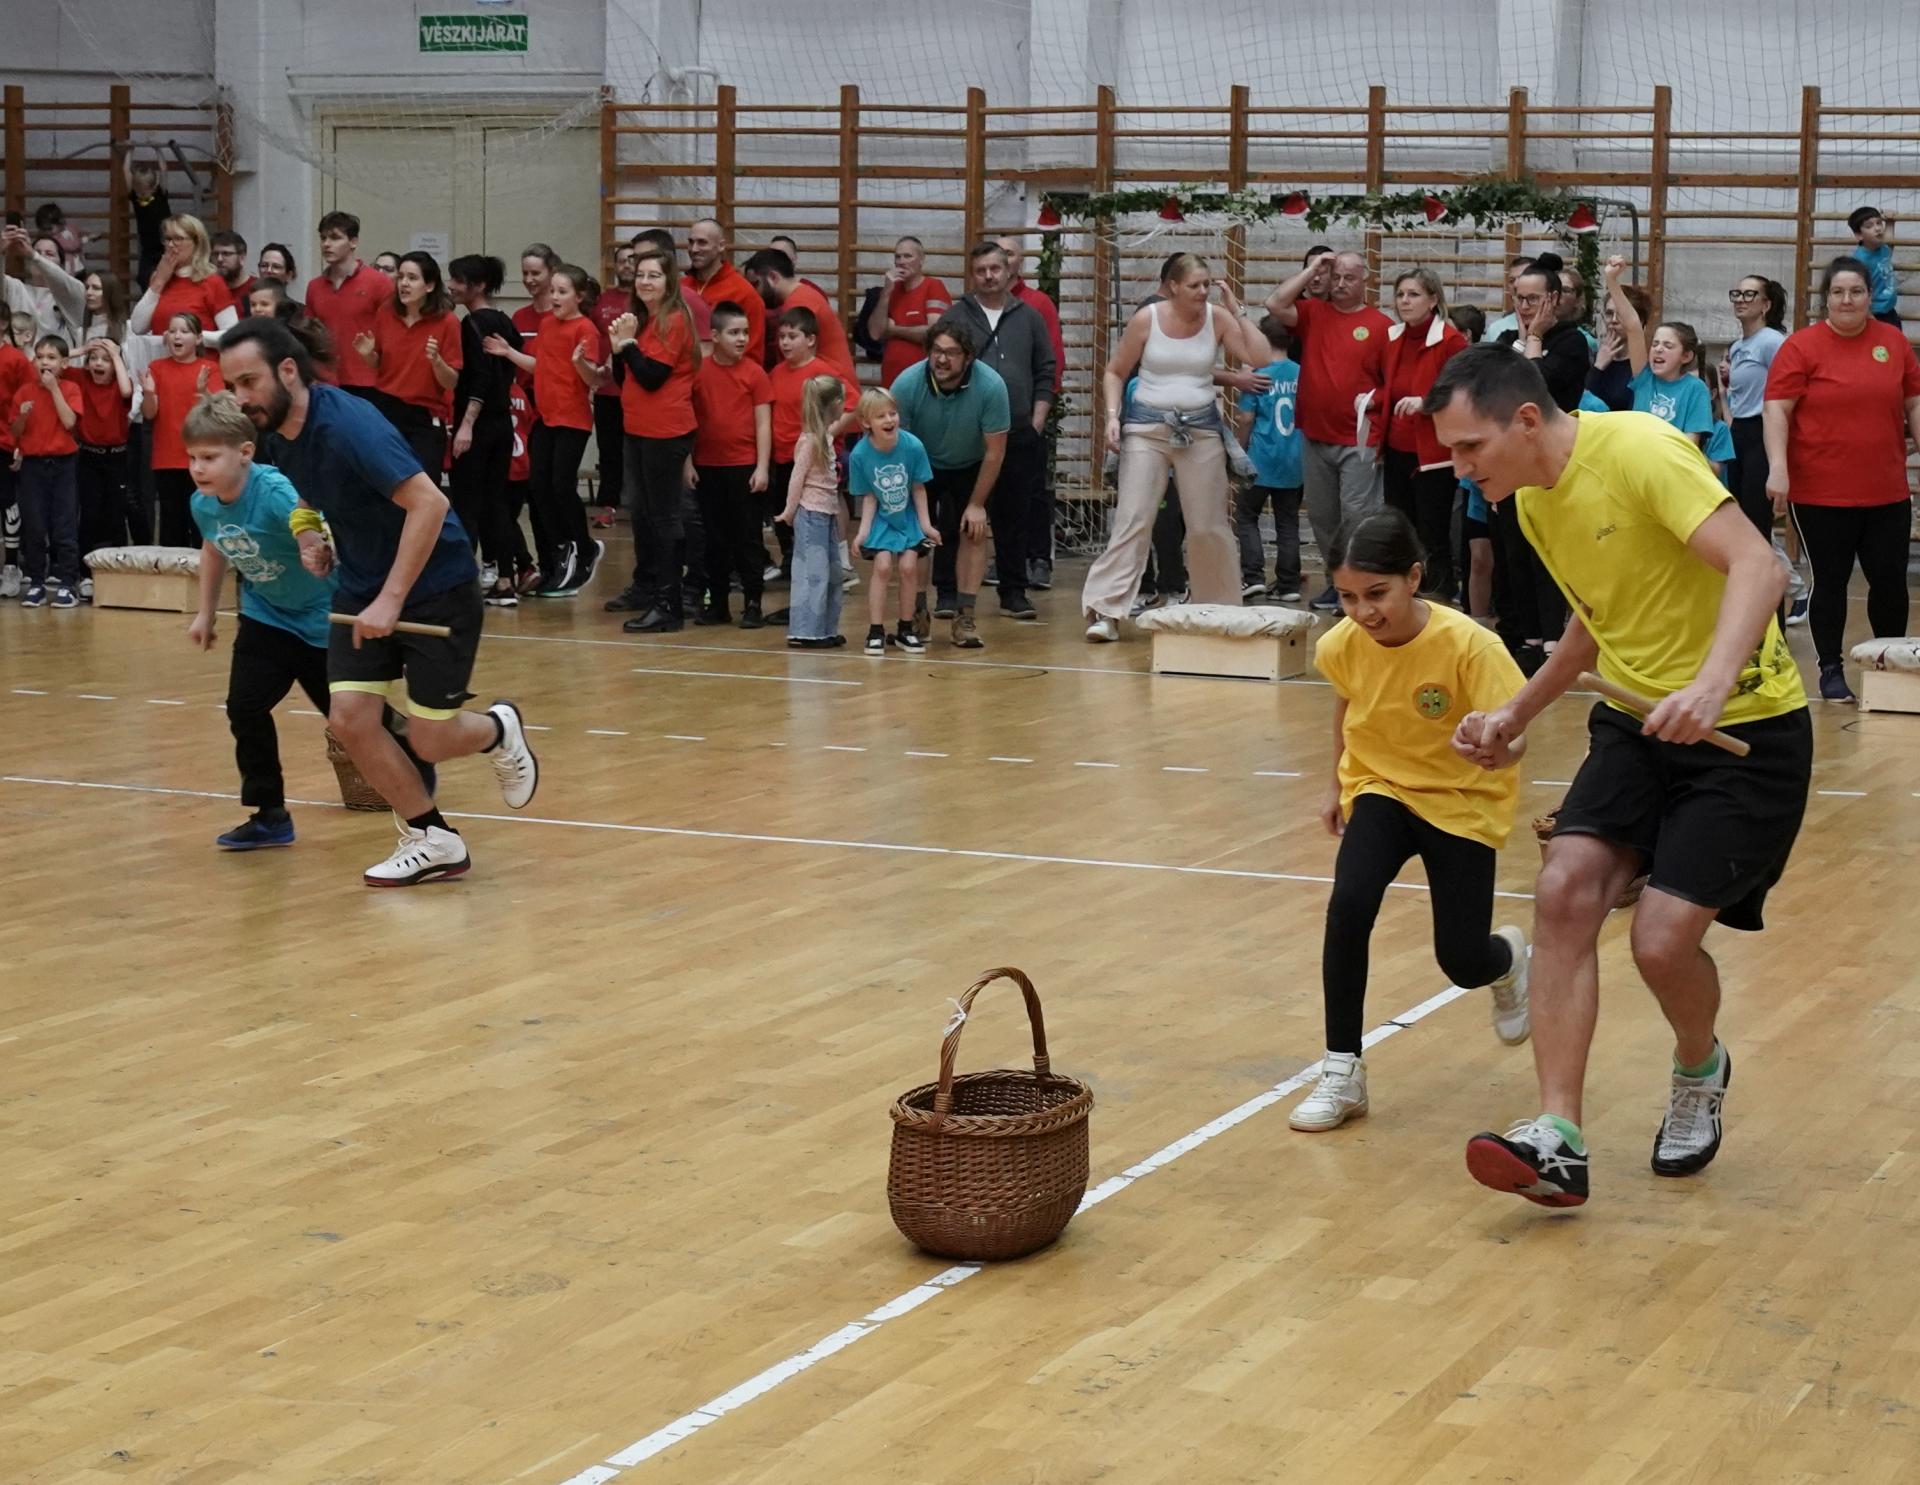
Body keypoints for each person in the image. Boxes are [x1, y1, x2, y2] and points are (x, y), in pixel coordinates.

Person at [1427, 345, 1810, 1210]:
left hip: (1746, 728)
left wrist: (1709, 684)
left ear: (1527, 420)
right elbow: (1591, 626)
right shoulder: (1533, 500)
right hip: (1637, 725)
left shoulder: (1638, 451)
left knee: (1660, 942)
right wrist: (1514, 714)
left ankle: (1699, 1065)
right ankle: (1558, 1137)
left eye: (1470, 447)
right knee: (1563, 889)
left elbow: (1760, 565)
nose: (1460, 468)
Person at [218, 316, 541, 887]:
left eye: (248, 382)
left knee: (428, 740)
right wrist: (308, 535)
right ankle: (433, 838)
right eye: (231, 386)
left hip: (436, 588)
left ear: (287, 371)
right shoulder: (279, 432)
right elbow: (309, 496)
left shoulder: (348, 425)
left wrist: (392, 600)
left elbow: (429, 504)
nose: (239, 398)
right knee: (350, 719)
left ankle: (498, 728)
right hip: (362, 588)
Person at [1289, 508, 1531, 1132]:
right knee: (1349, 906)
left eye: (1377, 594)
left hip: (1461, 798)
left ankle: (1504, 959)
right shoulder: (1340, 644)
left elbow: (1516, 736)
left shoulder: (1471, 646)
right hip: (1381, 786)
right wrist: (1334, 782)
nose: (1362, 612)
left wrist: (1495, 748)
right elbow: (1348, 706)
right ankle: (1342, 1069)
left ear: (1414, 578)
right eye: (1347, 597)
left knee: (1462, 961)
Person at [184, 391, 429, 849]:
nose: (198, 468)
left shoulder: (276, 493)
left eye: (209, 458)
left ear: (245, 452)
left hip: (322, 621)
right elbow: (214, 548)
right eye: (193, 458)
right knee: (244, 707)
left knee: (349, 719)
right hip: (266, 617)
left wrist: (316, 547)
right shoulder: (204, 503)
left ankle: (414, 753)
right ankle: (270, 814)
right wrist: (206, 613)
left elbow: (318, 522)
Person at [1083, 253, 1270, 641]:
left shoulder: (1218, 318)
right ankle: (1106, 612)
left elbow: (1260, 357)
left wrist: (1237, 310)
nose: (1202, 292)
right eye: (1194, 285)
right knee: (1133, 519)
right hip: (1146, 431)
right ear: (1172, 287)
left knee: (1207, 525)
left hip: (1201, 431)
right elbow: (1115, 371)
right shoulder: (1147, 319)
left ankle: (1219, 611)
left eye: (1206, 285)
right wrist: (1113, 417)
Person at [1764, 256, 1920, 704]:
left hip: (1886, 490)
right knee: (1830, 580)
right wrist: (1779, 467)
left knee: (1889, 581)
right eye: (1838, 292)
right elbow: (1777, 409)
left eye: (1856, 291)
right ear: (1826, 300)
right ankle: (1830, 669)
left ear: (1870, 297)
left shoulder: (1893, 342)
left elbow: (1913, 403)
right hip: (1820, 493)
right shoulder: (1801, 347)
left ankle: (1889, 667)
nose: (1847, 299)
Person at [1265, 249, 1391, 611]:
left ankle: (1362, 585)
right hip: (1315, 436)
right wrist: (1312, 270)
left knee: (1357, 515)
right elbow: (1275, 303)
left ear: (1365, 281)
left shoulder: (1381, 325)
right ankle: (1339, 584)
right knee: (1322, 516)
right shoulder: (1313, 313)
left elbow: (1390, 383)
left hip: (1358, 439)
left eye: (1349, 277)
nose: (1340, 284)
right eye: (1335, 277)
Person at [944, 241, 1057, 622]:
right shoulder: (956, 316)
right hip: (967, 435)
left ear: (1008, 271)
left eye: (995, 269)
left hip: (1019, 432)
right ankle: (949, 593)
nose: (989, 276)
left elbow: (1046, 369)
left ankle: (1013, 592)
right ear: (972, 275)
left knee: (1014, 516)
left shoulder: (1030, 316)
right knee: (957, 515)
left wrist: (1036, 420)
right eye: (981, 271)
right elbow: (940, 366)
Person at [1491, 253, 1588, 672]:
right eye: (1519, 298)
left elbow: (1535, 388)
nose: (1525, 306)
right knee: (1514, 554)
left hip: (1553, 464)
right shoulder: (1503, 341)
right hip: (1512, 463)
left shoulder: (1571, 341)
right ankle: (1528, 638)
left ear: (1554, 300)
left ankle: (1553, 642)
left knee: (1545, 553)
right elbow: (1493, 395)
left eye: (1534, 299)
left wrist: (1534, 338)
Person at [485, 263, 606, 598]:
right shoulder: (548, 325)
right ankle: (561, 548)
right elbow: (540, 366)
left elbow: (591, 378)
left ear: (579, 296)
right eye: (553, 290)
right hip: (546, 417)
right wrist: (508, 352)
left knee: (561, 485)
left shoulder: (585, 329)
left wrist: (580, 362)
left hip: (572, 420)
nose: (554, 296)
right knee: (538, 487)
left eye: (562, 291)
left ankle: (584, 546)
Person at [890, 319, 1009, 649]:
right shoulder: (907, 384)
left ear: (968, 357)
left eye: (951, 353)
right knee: (917, 535)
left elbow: (995, 452)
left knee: (974, 530)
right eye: (936, 351)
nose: (941, 359)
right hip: (921, 465)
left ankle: (965, 617)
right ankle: (916, 615)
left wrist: (977, 504)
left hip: (971, 462)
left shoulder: (991, 386)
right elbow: (898, 446)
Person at [607, 245, 703, 633]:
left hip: (666, 430)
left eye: (654, 276)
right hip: (638, 429)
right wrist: (618, 350)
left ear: (669, 281)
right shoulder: (643, 320)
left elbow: (652, 377)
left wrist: (628, 344)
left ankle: (670, 604)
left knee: (665, 517)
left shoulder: (674, 319)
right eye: (641, 275)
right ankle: (654, 592)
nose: (645, 282)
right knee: (644, 515)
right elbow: (624, 378)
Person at [1380, 267, 1468, 602]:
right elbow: (1391, 386)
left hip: (1433, 455)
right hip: (1396, 451)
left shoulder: (1451, 341)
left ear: (1433, 300)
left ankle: (1439, 598)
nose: (1404, 301)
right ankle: (1405, 599)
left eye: (1413, 294)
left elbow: (1463, 391)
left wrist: (1426, 402)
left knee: (1433, 533)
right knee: (1400, 530)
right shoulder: (1392, 338)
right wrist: (1373, 398)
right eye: (1400, 294)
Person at [764, 305, 861, 593]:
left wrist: (825, 434)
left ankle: (831, 568)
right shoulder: (776, 373)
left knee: (815, 515)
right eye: (782, 337)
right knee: (783, 512)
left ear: (810, 339)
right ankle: (790, 563)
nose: (785, 342)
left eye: (792, 336)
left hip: (813, 461)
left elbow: (854, 404)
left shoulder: (822, 372)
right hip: (783, 457)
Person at [688, 300, 773, 629]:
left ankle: (753, 603)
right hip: (708, 467)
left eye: (745, 333)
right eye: (734, 333)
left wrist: (761, 467)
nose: (742, 339)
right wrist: (687, 463)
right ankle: (717, 603)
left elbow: (763, 422)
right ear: (714, 336)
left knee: (747, 538)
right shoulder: (699, 372)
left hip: (744, 467)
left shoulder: (754, 373)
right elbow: (688, 420)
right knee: (714, 539)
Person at [447, 255, 524, 605]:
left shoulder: (472, 324)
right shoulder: (504, 321)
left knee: (467, 503)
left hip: (479, 425)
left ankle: (464, 583)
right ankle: (506, 580)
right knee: (496, 503)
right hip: (503, 423)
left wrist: (466, 424)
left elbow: (480, 378)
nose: (452, 285)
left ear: (478, 285)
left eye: (458, 280)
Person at [354, 250, 462, 477]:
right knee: (383, 482)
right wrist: (367, 355)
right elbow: (379, 365)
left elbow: (451, 382)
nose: (403, 283)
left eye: (412, 278)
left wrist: (437, 361)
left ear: (429, 285)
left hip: (424, 415)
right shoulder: (386, 312)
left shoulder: (448, 322)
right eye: (401, 276)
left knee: (423, 484)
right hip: (386, 409)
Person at [849, 386, 937, 655]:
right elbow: (870, 497)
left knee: (909, 567)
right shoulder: (860, 455)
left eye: (893, 413)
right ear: (866, 422)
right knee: (883, 566)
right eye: (881, 416)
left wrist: (926, 525)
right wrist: (863, 532)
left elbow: (919, 488)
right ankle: (875, 631)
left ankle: (905, 629)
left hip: (908, 517)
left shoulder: (913, 446)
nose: (889, 420)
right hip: (883, 519)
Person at [6, 334, 84, 608]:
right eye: (40, 357)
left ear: (64, 363)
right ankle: (37, 582)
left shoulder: (71, 388)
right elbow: (16, 430)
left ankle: (67, 583)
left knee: (64, 524)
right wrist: (23, 415)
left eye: (51, 358)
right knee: (35, 525)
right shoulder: (24, 392)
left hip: (63, 465)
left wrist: (53, 390)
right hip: (33, 466)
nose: (45, 363)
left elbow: (70, 422)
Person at [1600, 256, 1711, 447]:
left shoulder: (1696, 388)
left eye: (1668, 346)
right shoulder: (1644, 379)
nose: (1658, 349)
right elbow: (1633, 325)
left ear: (1686, 356)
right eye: (1655, 344)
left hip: (1671, 461)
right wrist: (1611, 280)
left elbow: (1692, 441)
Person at [779, 374, 855, 649]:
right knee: (813, 574)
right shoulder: (810, 441)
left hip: (827, 515)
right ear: (834, 404)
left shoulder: (825, 437)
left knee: (833, 574)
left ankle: (825, 628)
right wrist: (789, 511)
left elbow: (840, 421)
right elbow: (796, 478)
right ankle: (805, 631)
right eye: (842, 400)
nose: (845, 406)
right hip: (811, 516)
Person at [1233, 314, 1303, 600]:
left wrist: (1238, 451)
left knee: (1246, 516)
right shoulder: (1301, 372)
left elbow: (1247, 418)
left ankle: (1253, 577)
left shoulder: (1257, 374)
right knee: (1288, 523)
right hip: (1294, 460)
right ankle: (1289, 585)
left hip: (1260, 459)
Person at [141, 312, 223, 545]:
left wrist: (203, 391)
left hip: (201, 457)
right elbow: (149, 413)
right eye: (172, 331)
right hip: (166, 457)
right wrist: (148, 393)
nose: (177, 336)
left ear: (198, 339)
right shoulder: (157, 367)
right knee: (171, 524)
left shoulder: (210, 368)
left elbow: (218, 412)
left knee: (201, 523)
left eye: (184, 331)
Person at [1722, 275, 1788, 538]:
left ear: (1766, 305)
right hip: (1739, 432)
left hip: (1762, 432)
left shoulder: (1772, 341)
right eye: (1737, 294)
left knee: (1756, 517)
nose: (1741, 300)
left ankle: (1765, 563)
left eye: (1750, 294)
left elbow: (1787, 389)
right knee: (1737, 514)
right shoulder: (1738, 346)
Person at [302, 213, 392, 394]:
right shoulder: (314, 286)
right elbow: (311, 335)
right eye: (323, 238)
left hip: (368, 381)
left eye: (335, 238)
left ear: (353, 242)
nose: (326, 244)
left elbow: (392, 334)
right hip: (326, 380)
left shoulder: (378, 283)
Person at [742, 248, 856, 381]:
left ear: (773, 277)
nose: (754, 293)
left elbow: (796, 363)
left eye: (756, 284)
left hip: (829, 387)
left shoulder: (798, 303)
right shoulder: (803, 295)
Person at [587, 242, 636, 531]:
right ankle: (608, 505)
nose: (627, 265)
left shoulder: (646, 301)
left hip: (639, 391)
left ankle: (641, 507)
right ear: (615, 266)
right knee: (609, 451)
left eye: (632, 259)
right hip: (607, 392)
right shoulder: (602, 301)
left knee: (640, 452)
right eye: (622, 260)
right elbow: (591, 341)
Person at [75, 336, 135, 568]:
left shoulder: (120, 384)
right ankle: (84, 573)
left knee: (116, 514)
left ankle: (116, 570)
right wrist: (82, 349)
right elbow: (52, 363)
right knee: (89, 513)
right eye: (93, 358)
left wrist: (117, 356)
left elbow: (127, 391)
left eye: (105, 359)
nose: (98, 363)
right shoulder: (81, 379)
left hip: (117, 457)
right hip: (88, 456)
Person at [865, 236, 952, 388]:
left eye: (907, 256)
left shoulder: (933, 286)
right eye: (897, 257)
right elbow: (875, 333)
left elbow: (935, 334)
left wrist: (893, 330)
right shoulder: (891, 291)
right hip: (891, 379)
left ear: (921, 260)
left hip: (923, 381)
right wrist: (886, 293)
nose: (901, 261)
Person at [685, 217, 765, 359]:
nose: (694, 249)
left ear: (721, 246)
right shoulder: (680, 287)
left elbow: (752, 355)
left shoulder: (744, 293)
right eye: (691, 242)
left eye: (702, 242)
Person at [1587, 279, 1651, 412]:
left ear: (1639, 320)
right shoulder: (1593, 357)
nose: (1614, 320)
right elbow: (1583, 402)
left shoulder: (1645, 365)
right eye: (1609, 313)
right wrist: (1598, 367)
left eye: (1621, 314)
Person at [124, 144, 172, 289]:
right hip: (148, 248)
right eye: (139, 191)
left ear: (154, 186)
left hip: (166, 245)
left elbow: (163, 169)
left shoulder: (160, 194)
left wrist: (157, 149)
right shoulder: (135, 197)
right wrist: (130, 150)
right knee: (143, 278)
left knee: (168, 278)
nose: (142, 195)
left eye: (145, 192)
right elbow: (126, 171)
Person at [1848, 206, 1901, 326]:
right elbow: (1857, 291)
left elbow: (1889, 244)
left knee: (1895, 337)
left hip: (1889, 311)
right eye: (1869, 226)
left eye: (1879, 223)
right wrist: (1870, 316)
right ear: (1859, 235)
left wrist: (1890, 222)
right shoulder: (1860, 260)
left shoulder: (1883, 249)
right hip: (1873, 313)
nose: (1877, 228)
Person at [1482, 255, 1536, 343]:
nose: (1515, 285)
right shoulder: (1497, 329)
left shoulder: (1553, 326)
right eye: (1512, 281)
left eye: (1522, 278)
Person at [211, 230, 254, 310]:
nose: (219, 259)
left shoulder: (257, 288)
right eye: (215, 254)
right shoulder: (209, 289)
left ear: (242, 258)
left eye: (226, 254)